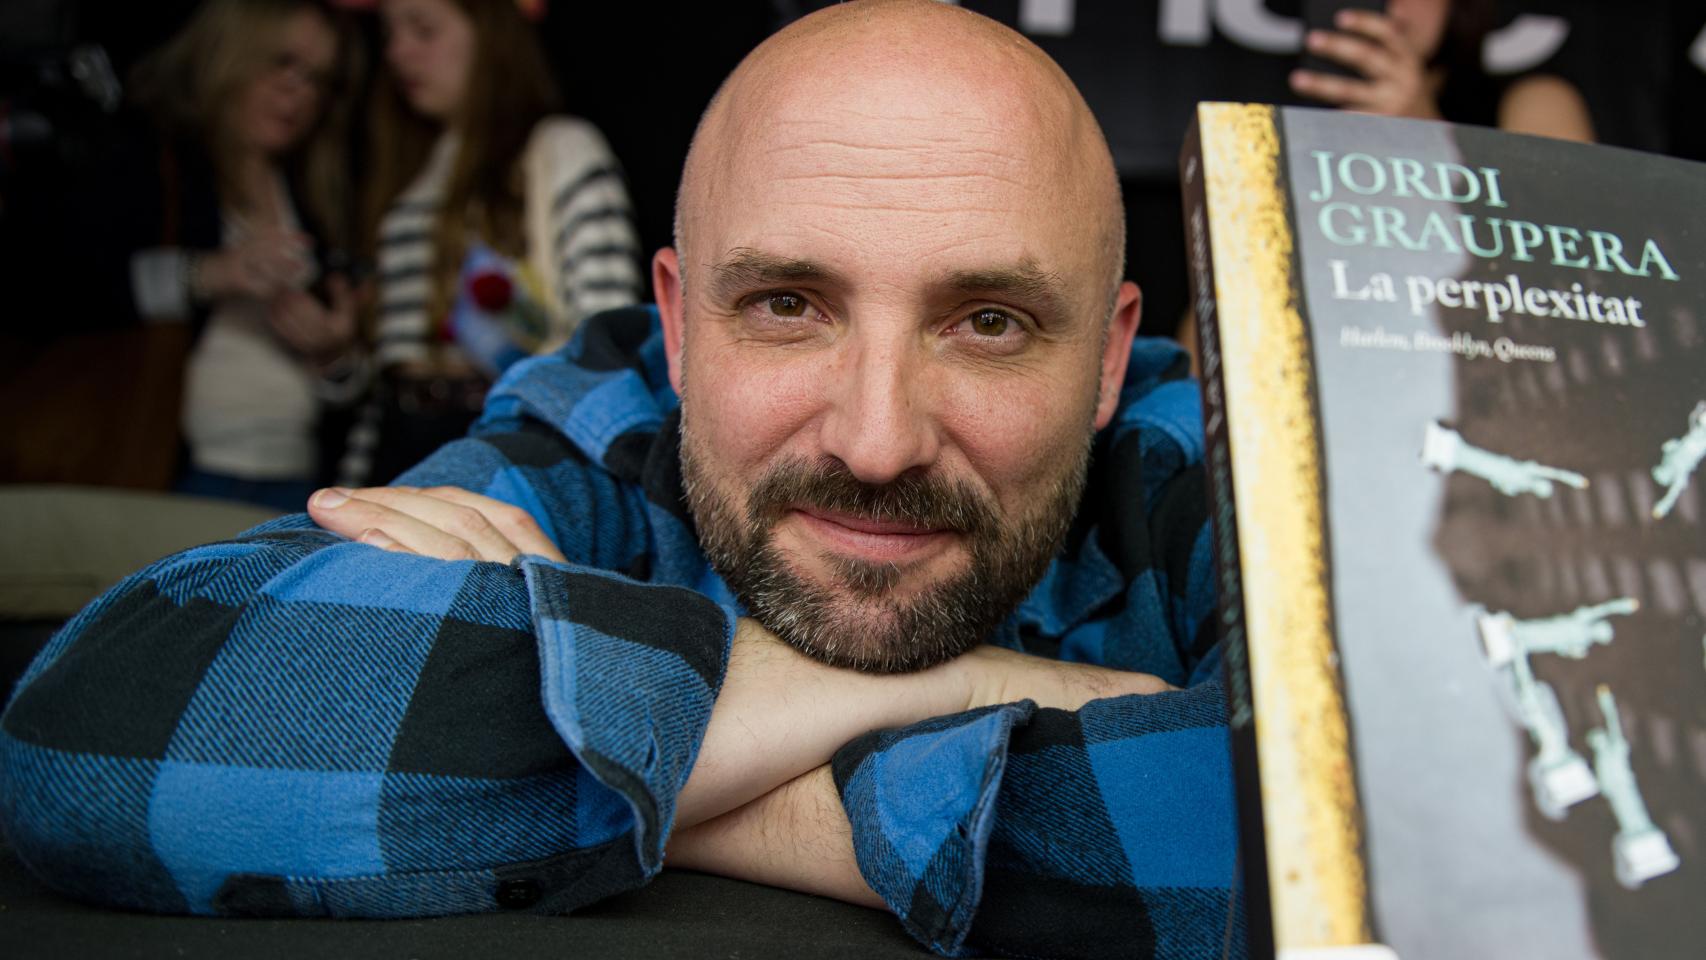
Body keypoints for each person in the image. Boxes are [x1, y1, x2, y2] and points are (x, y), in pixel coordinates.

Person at [0, 3, 1239, 957]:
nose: (874, 443)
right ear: (680, 329)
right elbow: (97, 735)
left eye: (988, 323)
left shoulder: (1205, 452)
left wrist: (632, 766)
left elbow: (1364, 832)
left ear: (1110, 358)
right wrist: (970, 689)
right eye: (787, 306)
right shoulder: (609, 412)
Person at [341, 0, 643, 486]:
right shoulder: (403, 171)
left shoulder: (558, 148)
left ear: (490, 35)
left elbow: (607, 334)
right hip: (399, 441)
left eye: (423, 29)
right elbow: (384, 368)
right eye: (389, 35)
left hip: (502, 433)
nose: (398, 52)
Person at [123, 0, 365, 510]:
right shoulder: (159, 165)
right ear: (229, 55)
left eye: (317, 79)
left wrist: (331, 354)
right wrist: (213, 273)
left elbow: (354, 391)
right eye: (281, 62)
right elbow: (61, 288)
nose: (296, 90)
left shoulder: (312, 194)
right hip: (174, 470)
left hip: (297, 480)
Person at [1288, 0, 1595, 142]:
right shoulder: (1257, 108)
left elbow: (1565, 252)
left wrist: (1427, 138)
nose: (1392, 4)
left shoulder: (1532, 101)